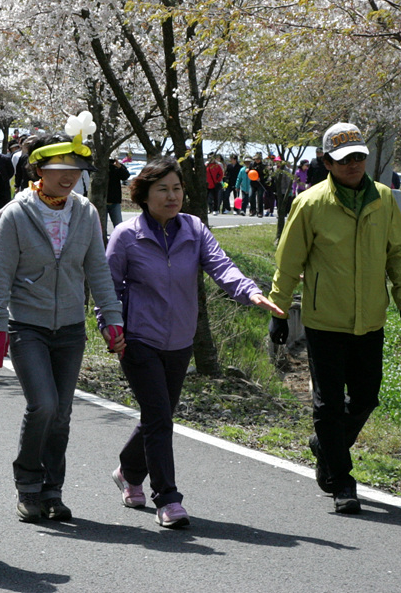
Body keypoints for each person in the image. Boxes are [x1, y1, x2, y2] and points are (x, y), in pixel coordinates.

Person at [108, 156, 285, 528]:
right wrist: (111, 328)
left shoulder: (194, 229)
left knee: (160, 414)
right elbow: (109, 287)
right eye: (163, 189)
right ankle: (168, 499)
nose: (173, 196)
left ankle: (127, 470)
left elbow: (222, 266)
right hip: (137, 339)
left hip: (179, 339)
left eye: (177, 188)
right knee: (159, 418)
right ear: (144, 194)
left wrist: (250, 292)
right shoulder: (126, 235)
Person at [269, 122, 401, 515]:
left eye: (358, 156)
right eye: (343, 159)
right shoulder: (310, 203)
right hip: (324, 321)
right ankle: (342, 480)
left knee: (367, 397)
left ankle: (325, 446)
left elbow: (398, 255)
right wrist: (280, 311)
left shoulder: (385, 200)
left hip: (370, 319)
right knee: (328, 404)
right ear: (326, 162)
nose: (353, 164)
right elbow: (288, 262)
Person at [0, 124, 126, 523]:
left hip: (69, 326)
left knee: (62, 413)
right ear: (38, 169)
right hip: (26, 324)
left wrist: (111, 319)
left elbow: (97, 271)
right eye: (59, 166)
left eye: (76, 166)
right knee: (43, 405)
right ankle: (28, 485)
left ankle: (52, 490)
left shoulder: (85, 212)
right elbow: (0, 276)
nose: (68, 175)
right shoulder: (15, 214)